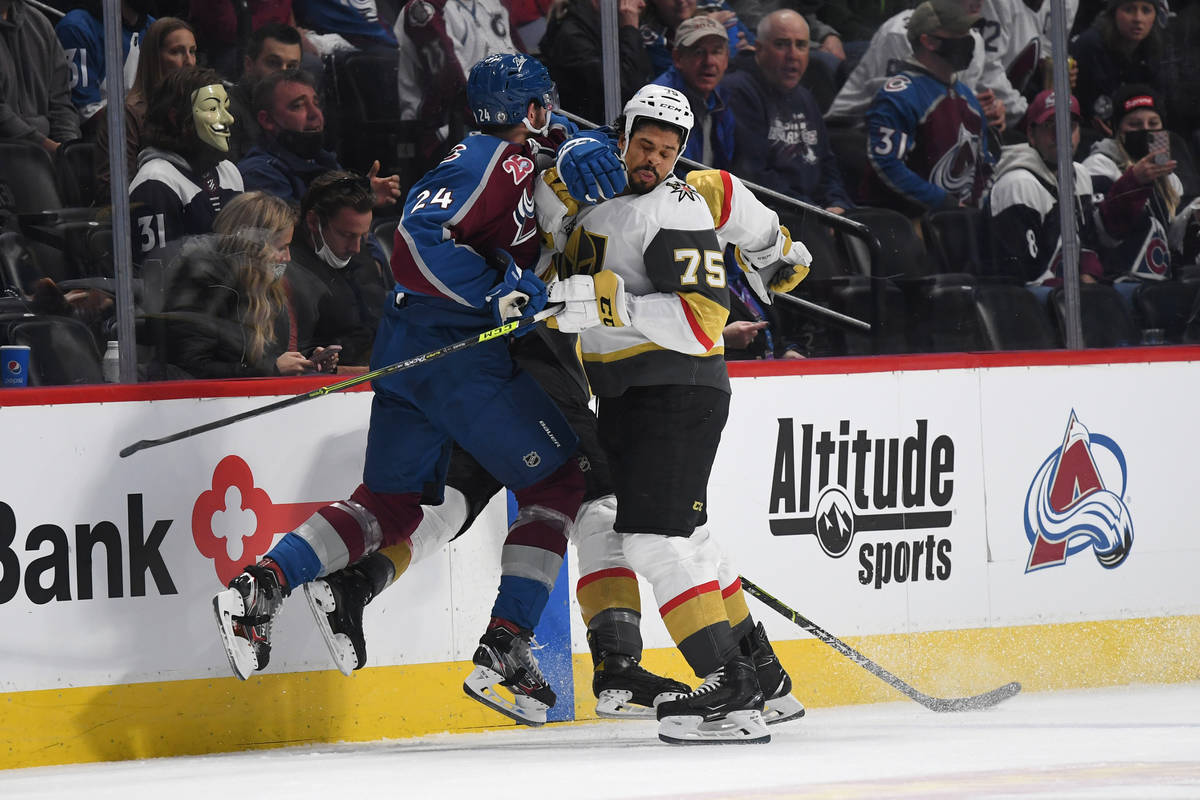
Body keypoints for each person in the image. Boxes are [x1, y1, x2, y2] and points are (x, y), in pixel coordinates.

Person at [212, 54, 588, 731]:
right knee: (558, 485)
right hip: (456, 360)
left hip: (411, 351)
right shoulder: (493, 162)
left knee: (390, 505)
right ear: (527, 110)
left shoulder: (499, 159)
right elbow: (416, 236)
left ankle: (259, 586)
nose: (551, 116)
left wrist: (509, 273)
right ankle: (507, 641)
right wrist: (494, 291)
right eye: (545, 105)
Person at [538, 84, 801, 744]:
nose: (652, 160)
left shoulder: (675, 208)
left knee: (656, 542)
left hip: (675, 389)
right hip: (628, 394)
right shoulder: (592, 194)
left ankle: (727, 689)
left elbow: (699, 319)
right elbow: (550, 237)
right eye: (643, 146)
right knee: (686, 540)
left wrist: (600, 303)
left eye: (666, 151)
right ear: (620, 135)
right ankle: (761, 677)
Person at [987, 89, 1149, 285]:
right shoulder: (1017, 184)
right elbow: (1024, 277)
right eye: (1050, 126)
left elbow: (1087, 243)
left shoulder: (1079, 175)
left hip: (1066, 296)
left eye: (1070, 126)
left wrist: (1088, 279)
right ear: (1031, 134)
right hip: (1030, 302)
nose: (1061, 135)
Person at [160, 191, 326, 377]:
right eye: (281, 248)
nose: (288, 258)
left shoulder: (266, 287)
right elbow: (190, 368)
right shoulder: (204, 287)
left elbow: (267, 357)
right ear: (253, 246)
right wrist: (272, 370)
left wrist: (306, 360)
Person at [861, 0, 996, 216]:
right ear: (929, 41)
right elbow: (886, 165)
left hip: (962, 224)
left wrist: (977, 211)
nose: (968, 41)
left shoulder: (968, 97)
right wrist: (944, 203)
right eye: (958, 34)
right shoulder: (899, 96)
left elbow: (984, 166)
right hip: (908, 223)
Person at [722, 10, 853, 213]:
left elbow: (826, 162)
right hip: (775, 213)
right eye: (781, 44)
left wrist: (836, 203)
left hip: (815, 210)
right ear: (759, 48)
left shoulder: (805, 96)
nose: (792, 55)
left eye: (801, 45)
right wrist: (816, 212)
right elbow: (754, 175)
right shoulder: (739, 91)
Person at [825, 0, 1019, 133]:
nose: (979, 1)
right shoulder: (902, 32)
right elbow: (895, 110)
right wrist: (968, 112)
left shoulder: (974, 39)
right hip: (856, 132)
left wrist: (990, 110)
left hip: (934, 132)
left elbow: (957, 100)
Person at [1080, 85, 1195, 281]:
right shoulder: (1099, 165)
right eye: (1134, 124)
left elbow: (1173, 239)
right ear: (1118, 130)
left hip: (1159, 282)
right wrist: (1133, 182)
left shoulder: (1170, 177)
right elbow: (1103, 233)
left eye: (1153, 123)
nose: (1145, 130)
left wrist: (1193, 216)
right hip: (1117, 281)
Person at [129, 67, 242, 264]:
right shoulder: (155, 183)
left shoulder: (229, 171)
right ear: (176, 117)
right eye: (213, 109)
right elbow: (157, 274)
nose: (228, 118)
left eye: (226, 107)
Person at [393, 0, 520, 165]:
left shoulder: (492, 4)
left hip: (493, 119)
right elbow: (450, 82)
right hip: (440, 129)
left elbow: (521, 61)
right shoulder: (423, 8)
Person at [287, 171, 390, 368]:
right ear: (313, 221)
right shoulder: (287, 270)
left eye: (363, 236)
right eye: (346, 235)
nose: (356, 248)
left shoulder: (357, 253)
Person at [94, 17, 196, 198]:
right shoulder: (125, 114)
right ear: (153, 58)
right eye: (176, 52)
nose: (189, 61)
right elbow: (114, 188)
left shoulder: (198, 110)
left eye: (192, 51)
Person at [539, 0, 652, 127]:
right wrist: (630, 29)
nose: (642, 4)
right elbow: (627, 88)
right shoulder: (573, 36)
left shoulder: (606, 30)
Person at [651, 14, 736, 172]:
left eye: (716, 52)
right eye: (698, 52)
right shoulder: (661, 102)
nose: (709, 61)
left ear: (726, 59)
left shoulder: (721, 99)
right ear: (678, 58)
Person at [54, 0, 153, 130]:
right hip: (97, 142)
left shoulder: (155, 29)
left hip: (144, 135)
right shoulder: (77, 28)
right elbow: (85, 114)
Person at [0, 0, 81, 155]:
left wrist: (69, 147)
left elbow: (61, 102)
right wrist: (48, 148)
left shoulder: (40, 24)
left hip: (46, 158)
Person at [1070, 0, 1164, 132]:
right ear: (1113, 13)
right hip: (1092, 133)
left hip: (1140, 129)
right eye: (1129, 10)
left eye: (1146, 10)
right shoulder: (1090, 46)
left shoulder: (1156, 48)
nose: (1138, 19)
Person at [227, 23, 303, 161]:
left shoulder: (303, 110)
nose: (283, 73)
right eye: (273, 63)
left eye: (291, 66)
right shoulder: (227, 113)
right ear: (249, 65)